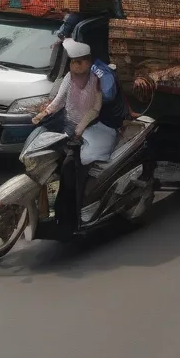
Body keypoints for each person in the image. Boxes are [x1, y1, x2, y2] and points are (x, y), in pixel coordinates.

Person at [31, 44, 118, 236]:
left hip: (88, 132)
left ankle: (74, 221)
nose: (75, 66)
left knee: (72, 172)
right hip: (68, 128)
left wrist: (80, 128)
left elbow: (94, 110)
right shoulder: (69, 78)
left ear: (87, 63)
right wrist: (44, 114)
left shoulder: (96, 82)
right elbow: (60, 100)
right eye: (72, 62)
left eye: (79, 62)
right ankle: (48, 212)